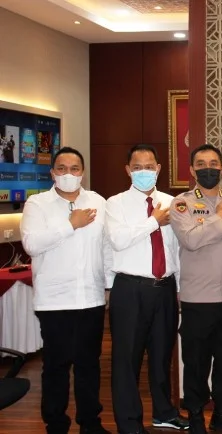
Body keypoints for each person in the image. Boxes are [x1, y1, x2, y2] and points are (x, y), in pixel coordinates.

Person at [21, 147, 113, 434]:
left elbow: (106, 247)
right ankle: (56, 424)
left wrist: (109, 285)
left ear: (82, 172)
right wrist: (70, 225)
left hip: (90, 297)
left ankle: (90, 422)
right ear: (52, 173)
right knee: (56, 366)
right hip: (54, 301)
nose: (68, 174)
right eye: (62, 168)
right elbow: (31, 244)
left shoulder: (98, 201)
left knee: (89, 365)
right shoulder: (37, 204)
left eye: (74, 169)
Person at [170, 144, 222, 433]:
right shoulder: (181, 204)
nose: (208, 168)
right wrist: (218, 217)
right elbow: (190, 240)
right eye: (201, 164)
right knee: (196, 361)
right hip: (198, 298)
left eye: (214, 163)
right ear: (192, 171)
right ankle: (195, 414)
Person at [104, 144, 188, 433]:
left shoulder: (172, 202)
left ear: (158, 169)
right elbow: (118, 240)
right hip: (131, 289)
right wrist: (154, 221)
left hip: (165, 287)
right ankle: (129, 423)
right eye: (137, 167)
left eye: (149, 167)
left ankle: (164, 412)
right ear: (128, 170)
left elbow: (176, 248)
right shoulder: (115, 203)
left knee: (162, 355)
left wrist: (179, 287)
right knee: (127, 359)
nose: (144, 172)